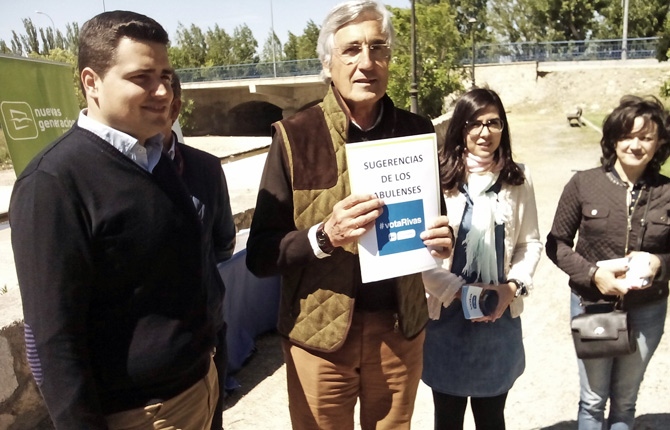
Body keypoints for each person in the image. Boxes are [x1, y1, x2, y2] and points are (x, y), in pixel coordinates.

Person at [245, 1, 453, 428]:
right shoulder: (294, 137)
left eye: (378, 48)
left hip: (399, 331)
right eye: (352, 50)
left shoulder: (416, 131)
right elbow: (261, 255)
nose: (367, 62)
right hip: (320, 341)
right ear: (328, 63)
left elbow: (438, 224)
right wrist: (324, 236)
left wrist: (442, 241)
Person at [10, 11, 219, 429]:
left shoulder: (155, 159)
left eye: (166, 76)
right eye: (142, 77)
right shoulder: (53, 182)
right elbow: (53, 340)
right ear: (92, 82)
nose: (163, 91)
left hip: (200, 387)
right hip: (143, 414)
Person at [420, 87, 543, 430]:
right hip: (446, 316)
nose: (485, 132)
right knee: (447, 418)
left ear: (503, 128)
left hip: (498, 315)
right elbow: (419, 254)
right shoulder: (437, 178)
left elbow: (530, 243)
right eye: (475, 123)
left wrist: (512, 287)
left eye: (493, 123)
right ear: (461, 128)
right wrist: (459, 291)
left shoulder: (518, 179)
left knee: (491, 418)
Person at [546, 95, 670, 429]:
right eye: (627, 135)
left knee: (626, 402)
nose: (635, 145)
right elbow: (556, 244)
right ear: (613, 139)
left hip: (647, 309)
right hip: (593, 305)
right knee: (592, 400)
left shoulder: (667, 192)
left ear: (659, 143)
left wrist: (659, 263)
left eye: (645, 137)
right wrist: (593, 274)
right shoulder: (583, 183)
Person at [160, 72, 237, 430]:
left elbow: (224, 244)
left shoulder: (205, 168)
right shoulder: (106, 171)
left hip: (208, 333)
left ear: (175, 108)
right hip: (150, 360)